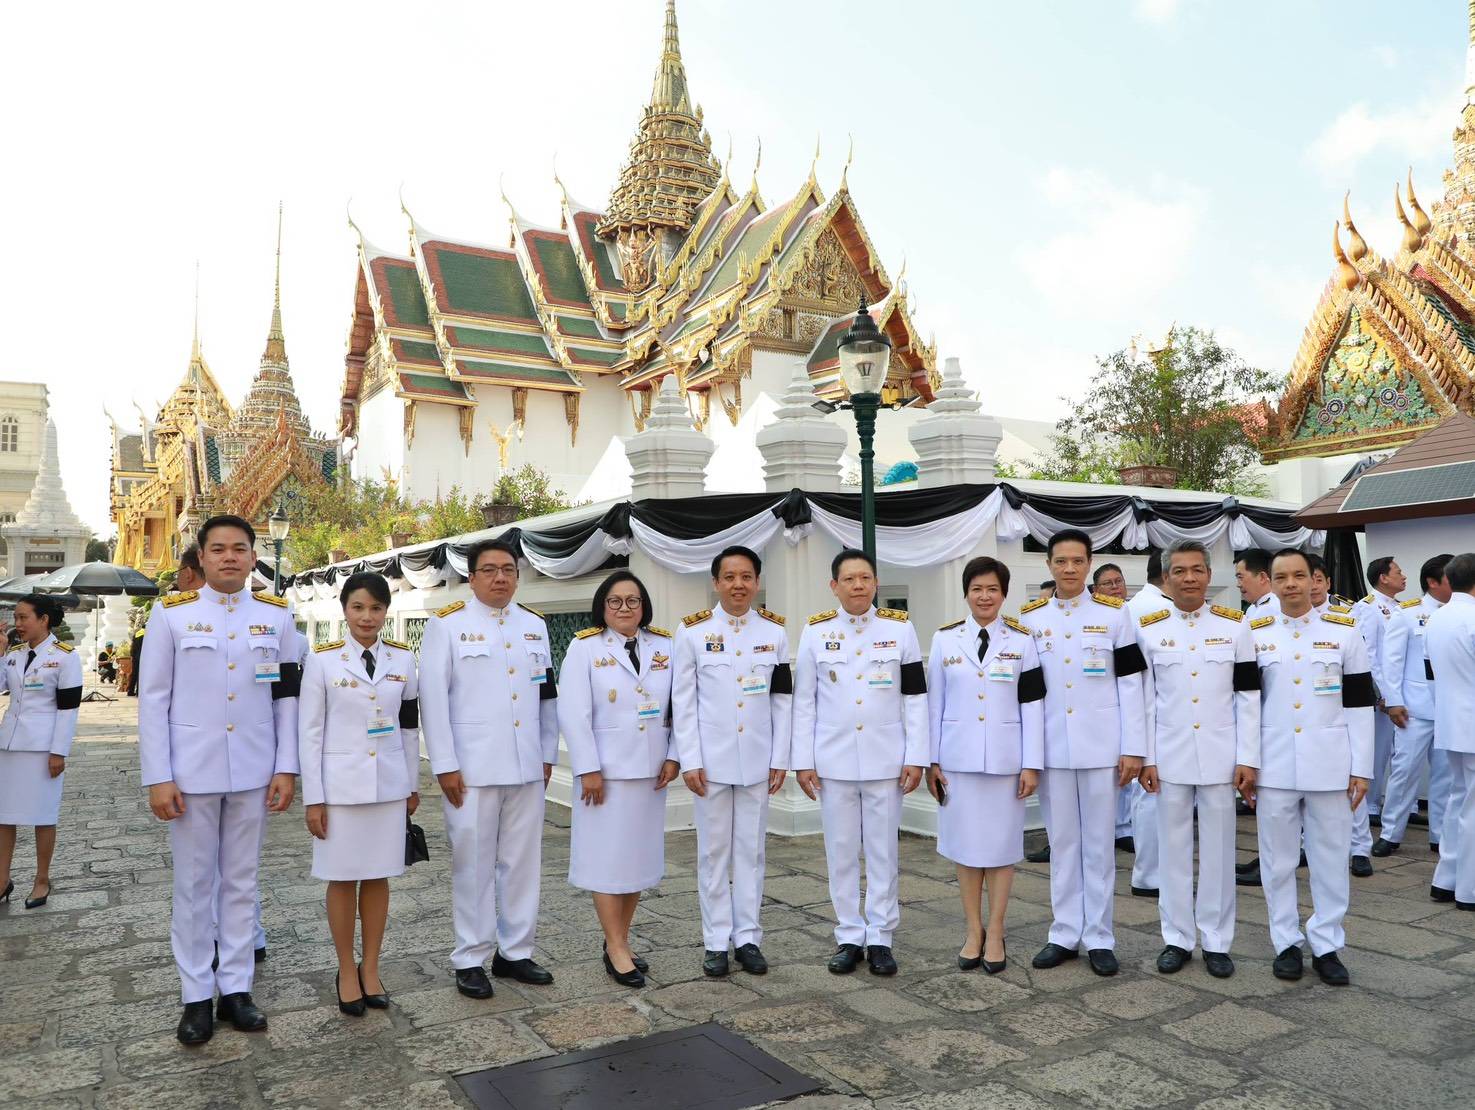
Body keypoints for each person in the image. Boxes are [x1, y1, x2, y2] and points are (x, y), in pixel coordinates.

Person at [139, 515, 300, 1045]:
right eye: (218, 549)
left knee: (241, 882)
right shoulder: (172, 614)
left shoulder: (277, 617)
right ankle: (194, 997)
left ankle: (235, 989)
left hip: (254, 769)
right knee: (193, 885)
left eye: (240, 549)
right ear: (202, 559)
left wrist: (285, 766)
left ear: (255, 557)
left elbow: (286, 698)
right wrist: (159, 775)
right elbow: (154, 699)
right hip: (191, 772)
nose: (230, 557)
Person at [419, 538, 558, 999]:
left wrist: (546, 753)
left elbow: (546, 694)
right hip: (472, 768)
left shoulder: (535, 625)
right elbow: (433, 700)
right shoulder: (449, 626)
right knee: (473, 863)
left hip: (525, 766)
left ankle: (516, 951)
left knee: (522, 862)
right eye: (490, 570)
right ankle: (470, 957)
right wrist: (444, 764)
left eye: (508, 569)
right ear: (472, 577)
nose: (501, 577)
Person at [792, 549, 927, 977]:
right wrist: (803, 760)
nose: (857, 585)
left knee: (884, 851)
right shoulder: (815, 633)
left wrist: (917, 756)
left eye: (864, 578)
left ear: (875, 584)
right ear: (834, 586)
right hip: (833, 761)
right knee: (842, 851)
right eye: (848, 579)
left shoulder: (900, 630)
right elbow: (804, 703)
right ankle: (850, 933)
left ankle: (882, 936)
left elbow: (916, 698)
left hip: (887, 759)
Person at [1024, 530, 1146, 978]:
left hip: (1102, 747)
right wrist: (1030, 756)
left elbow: (1132, 684)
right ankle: (1063, 932)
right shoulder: (1031, 619)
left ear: (1089, 563)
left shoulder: (1116, 616)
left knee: (1098, 844)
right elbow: (1029, 695)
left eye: (1077, 561)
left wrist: (1134, 747)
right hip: (1054, 748)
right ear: (1050, 565)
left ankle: (1099, 935)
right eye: (1061, 561)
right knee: (1062, 843)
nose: (1069, 568)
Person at [299, 571, 421, 1015]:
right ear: (345, 611)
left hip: (388, 786)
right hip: (340, 790)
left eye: (375, 608)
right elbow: (309, 733)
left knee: (377, 876)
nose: (367, 616)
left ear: (386, 612)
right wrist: (313, 797)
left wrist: (411, 785)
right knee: (342, 876)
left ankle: (371, 967)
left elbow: (409, 727)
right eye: (358, 607)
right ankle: (345, 969)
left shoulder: (404, 661)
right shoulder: (324, 660)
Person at [1138, 540, 1259, 979]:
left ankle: (1216, 939)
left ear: (1209, 575)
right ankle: (1176, 937)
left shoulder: (1235, 625)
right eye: (1180, 571)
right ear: (1166, 577)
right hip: (1168, 755)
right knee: (1171, 849)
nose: (1189, 578)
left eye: (1196, 570)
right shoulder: (1148, 628)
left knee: (1220, 849)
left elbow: (1248, 698)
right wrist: (1146, 757)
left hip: (1221, 755)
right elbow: (1143, 700)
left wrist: (1248, 756)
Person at [1253, 549, 1375, 985]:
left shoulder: (1344, 632)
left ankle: (1327, 943)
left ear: (1313, 580)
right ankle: (1285, 941)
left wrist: (1361, 766)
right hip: (1274, 764)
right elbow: (1245, 706)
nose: (1291, 584)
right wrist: (1246, 762)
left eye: (1299, 576)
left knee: (1329, 857)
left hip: (1330, 763)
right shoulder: (1255, 633)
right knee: (1278, 859)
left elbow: (1360, 703)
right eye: (1281, 577)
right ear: (1269, 581)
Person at [673, 545, 791, 978]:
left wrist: (781, 757)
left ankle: (748, 938)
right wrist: (690, 759)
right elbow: (683, 703)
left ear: (756, 582)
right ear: (716, 582)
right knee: (714, 854)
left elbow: (782, 701)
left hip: (758, 761)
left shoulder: (774, 633)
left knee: (752, 852)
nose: (738, 585)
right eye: (729, 577)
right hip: (712, 763)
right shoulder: (692, 633)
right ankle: (715, 941)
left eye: (746, 577)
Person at [558, 570, 680, 988]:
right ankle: (615, 947)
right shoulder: (584, 647)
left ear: (644, 605)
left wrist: (674, 755)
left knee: (637, 862)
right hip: (605, 774)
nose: (625, 608)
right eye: (616, 601)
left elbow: (678, 707)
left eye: (633, 600)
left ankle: (620, 941)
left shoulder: (664, 645)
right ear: (602, 606)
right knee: (607, 861)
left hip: (649, 772)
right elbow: (573, 714)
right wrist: (588, 768)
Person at [927, 556, 1044, 974]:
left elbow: (1033, 707)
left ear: (1004, 594)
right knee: (964, 849)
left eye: (992, 589)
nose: (984, 596)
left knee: (1000, 850)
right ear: (966, 593)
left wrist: (1032, 764)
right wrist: (931, 761)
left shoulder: (1022, 641)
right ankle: (972, 930)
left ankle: (996, 931)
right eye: (977, 588)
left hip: (1005, 763)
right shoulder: (945, 640)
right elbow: (934, 703)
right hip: (957, 762)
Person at [0, 594, 82, 910]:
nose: (18, 624)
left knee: (42, 816)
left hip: (42, 748)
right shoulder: (14, 654)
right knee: (4, 817)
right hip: (10, 744)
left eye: (24, 618)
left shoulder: (65, 657)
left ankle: (41, 879)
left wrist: (58, 752)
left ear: (43, 619)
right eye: (16, 619)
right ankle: (3, 879)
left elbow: (67, 709)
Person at [1374, 555, 1452, 860]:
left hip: (1449, 710)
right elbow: (1390, 662)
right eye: (1449, 578)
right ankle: (1390, 832)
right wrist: (1393, 701)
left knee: (1446, 775)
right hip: (1413, 710)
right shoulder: (1407, 614)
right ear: (1433, 582)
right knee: (1404, 773)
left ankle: (1440, 835)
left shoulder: (1462, 613)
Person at [1428, 552, 1475, 908]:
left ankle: (1446, 879)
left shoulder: (1438, 617)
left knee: (1460, 801)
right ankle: (1469, 890)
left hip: (1452, 721)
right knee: (1470, 806)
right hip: (1471, 721)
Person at [1122, 551, 1168, 894]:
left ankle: (1151, 872)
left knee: (1148, 798)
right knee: (1152, 797)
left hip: (1152, 717)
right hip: (1153, 715)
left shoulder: (1133, 606)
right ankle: (1150, 875)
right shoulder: (1150, 610)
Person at [1235, 549, 1279, 617]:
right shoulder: (1252, 609)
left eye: (1240, 577)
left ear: (1262, 577)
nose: (1238, 585)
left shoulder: (1278, 608)